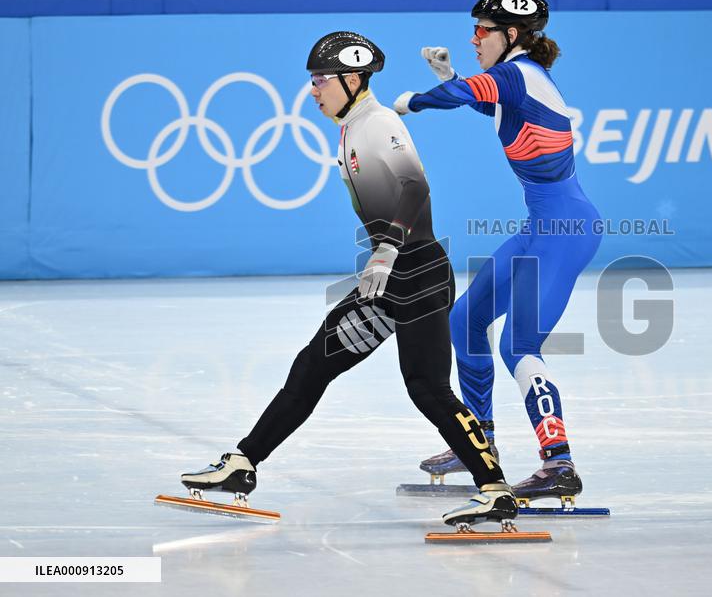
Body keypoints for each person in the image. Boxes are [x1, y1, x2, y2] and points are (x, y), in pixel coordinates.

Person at [180, 31, 517, 529]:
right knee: (313, 366)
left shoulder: (377, 123)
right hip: (390, 281)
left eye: (320, 80)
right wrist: (385, 257)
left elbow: (416, 187)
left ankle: (495, 490)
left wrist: (386, 247)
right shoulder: (351, 126)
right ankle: (243, 464)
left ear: (353, 79)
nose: (313, 91)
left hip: (417, 273)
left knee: (426, 388)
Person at [393, 0, 602, 506]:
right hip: (541, 227)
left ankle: (559, 462)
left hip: (565, 230)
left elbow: (470, 95)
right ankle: (478, 444)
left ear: (511, 35)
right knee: (464, 319)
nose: (472, 38)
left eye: (482, 30)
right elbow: (486, 104)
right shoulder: (519, 79)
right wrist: (451, 79)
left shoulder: (517, 72)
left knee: (518, 347)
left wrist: (411, 102)